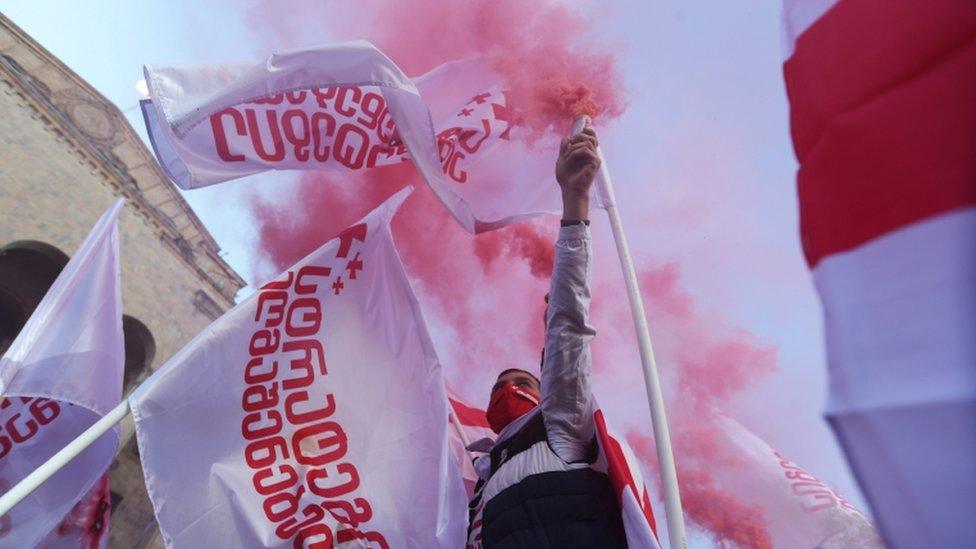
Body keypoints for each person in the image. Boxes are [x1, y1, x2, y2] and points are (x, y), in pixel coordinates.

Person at [466, 125, 628, 548]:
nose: (509, 389)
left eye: (522, 383)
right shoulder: (479, 480)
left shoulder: (560, 424)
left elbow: (568, 329)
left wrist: (575, 202)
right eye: (500, 386)